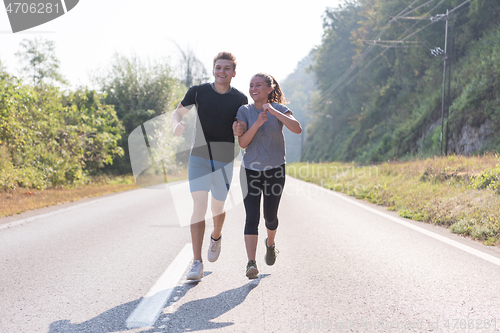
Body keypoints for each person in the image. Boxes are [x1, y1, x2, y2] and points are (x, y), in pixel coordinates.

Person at [171, 52, 248, 280]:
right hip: (199, 157)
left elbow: (243, 124)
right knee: (199, 205)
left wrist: (240, 129)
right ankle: (196, 262)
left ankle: (216, 235)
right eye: (218, 67)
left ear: (233, 73)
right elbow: (177, 112)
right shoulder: (198, 92)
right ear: (213, 70)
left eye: (226, 69)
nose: (221, 71)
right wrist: (176, 125)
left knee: (217, 208)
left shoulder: (240, 99)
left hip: (224, 159)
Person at [234, 73, 302, 279]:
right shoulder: (244, 110)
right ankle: (251, 263)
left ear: (269, 89)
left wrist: (272, 110)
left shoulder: (279, 109)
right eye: (251, 85)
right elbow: (243, 143)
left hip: (275, 170)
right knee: (252, 216)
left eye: (258, 85)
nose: (253, 89)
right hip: (250, 171)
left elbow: (297, 129)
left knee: (270, 217)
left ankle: (270, 244)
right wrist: (256, 123)